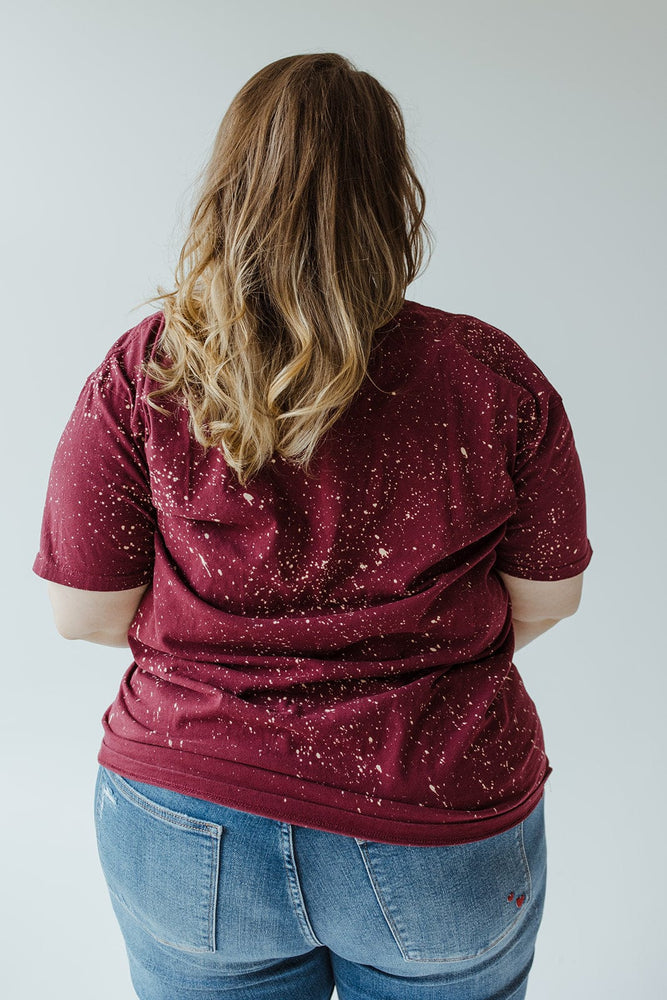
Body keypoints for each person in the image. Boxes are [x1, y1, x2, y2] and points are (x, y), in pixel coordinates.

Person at [33, 52, 593, 1000]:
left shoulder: (149, 373)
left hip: (189, 813)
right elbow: (549, 599)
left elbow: (81, 615)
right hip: (437, 818)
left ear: (228, 190)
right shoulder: (490, 374)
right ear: (392, 197)